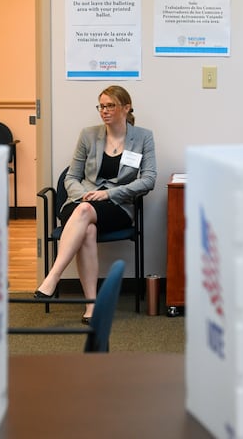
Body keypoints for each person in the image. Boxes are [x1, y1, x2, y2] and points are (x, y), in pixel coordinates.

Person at [34, 85, 157, 324]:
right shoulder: (88, 135)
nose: (104, 111)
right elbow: (71, 177)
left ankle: (53, 277)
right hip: (81, 202)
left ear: (126, 107)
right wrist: (86, 195)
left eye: (110, 105)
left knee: (86, 215)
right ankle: (91, 308)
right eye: (101, 106)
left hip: (117, 206)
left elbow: (149, 179)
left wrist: (109, 195)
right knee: (87, 224)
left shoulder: (143, 137)